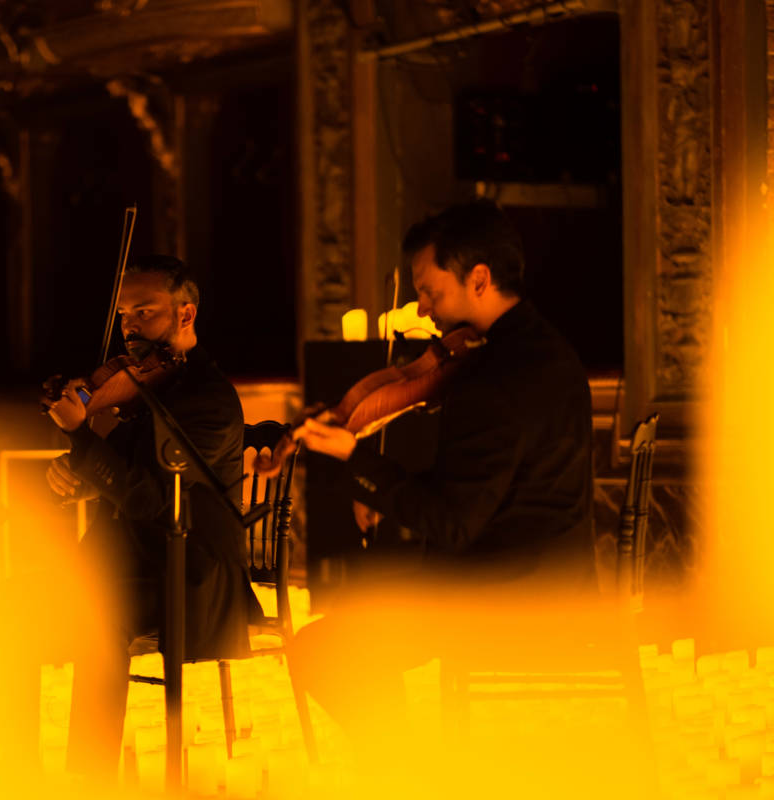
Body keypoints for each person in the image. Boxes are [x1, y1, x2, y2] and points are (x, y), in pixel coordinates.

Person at [289, 199, 596, 757]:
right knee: (366, 612)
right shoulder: (541, 349)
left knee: (323, 646)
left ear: (478, 279)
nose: (422, 308)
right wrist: (384, 484)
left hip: (504, 599)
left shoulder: (496, 379)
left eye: (430, 291)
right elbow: (487, 479)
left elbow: (454, 524)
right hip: (550, 576)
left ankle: (409, 772)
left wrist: (358, 461)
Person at [42, 254, 254, 779]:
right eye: (123, 316)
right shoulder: (147, 390)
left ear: (184, 316)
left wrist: (79, 437)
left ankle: (86, 778)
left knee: (95, 615)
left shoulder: (205, 398)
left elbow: (155, 501)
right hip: (137, 560)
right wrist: (73, 476)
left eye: (145, 312)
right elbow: (120, 475)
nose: (130, 327)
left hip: (188, 572)